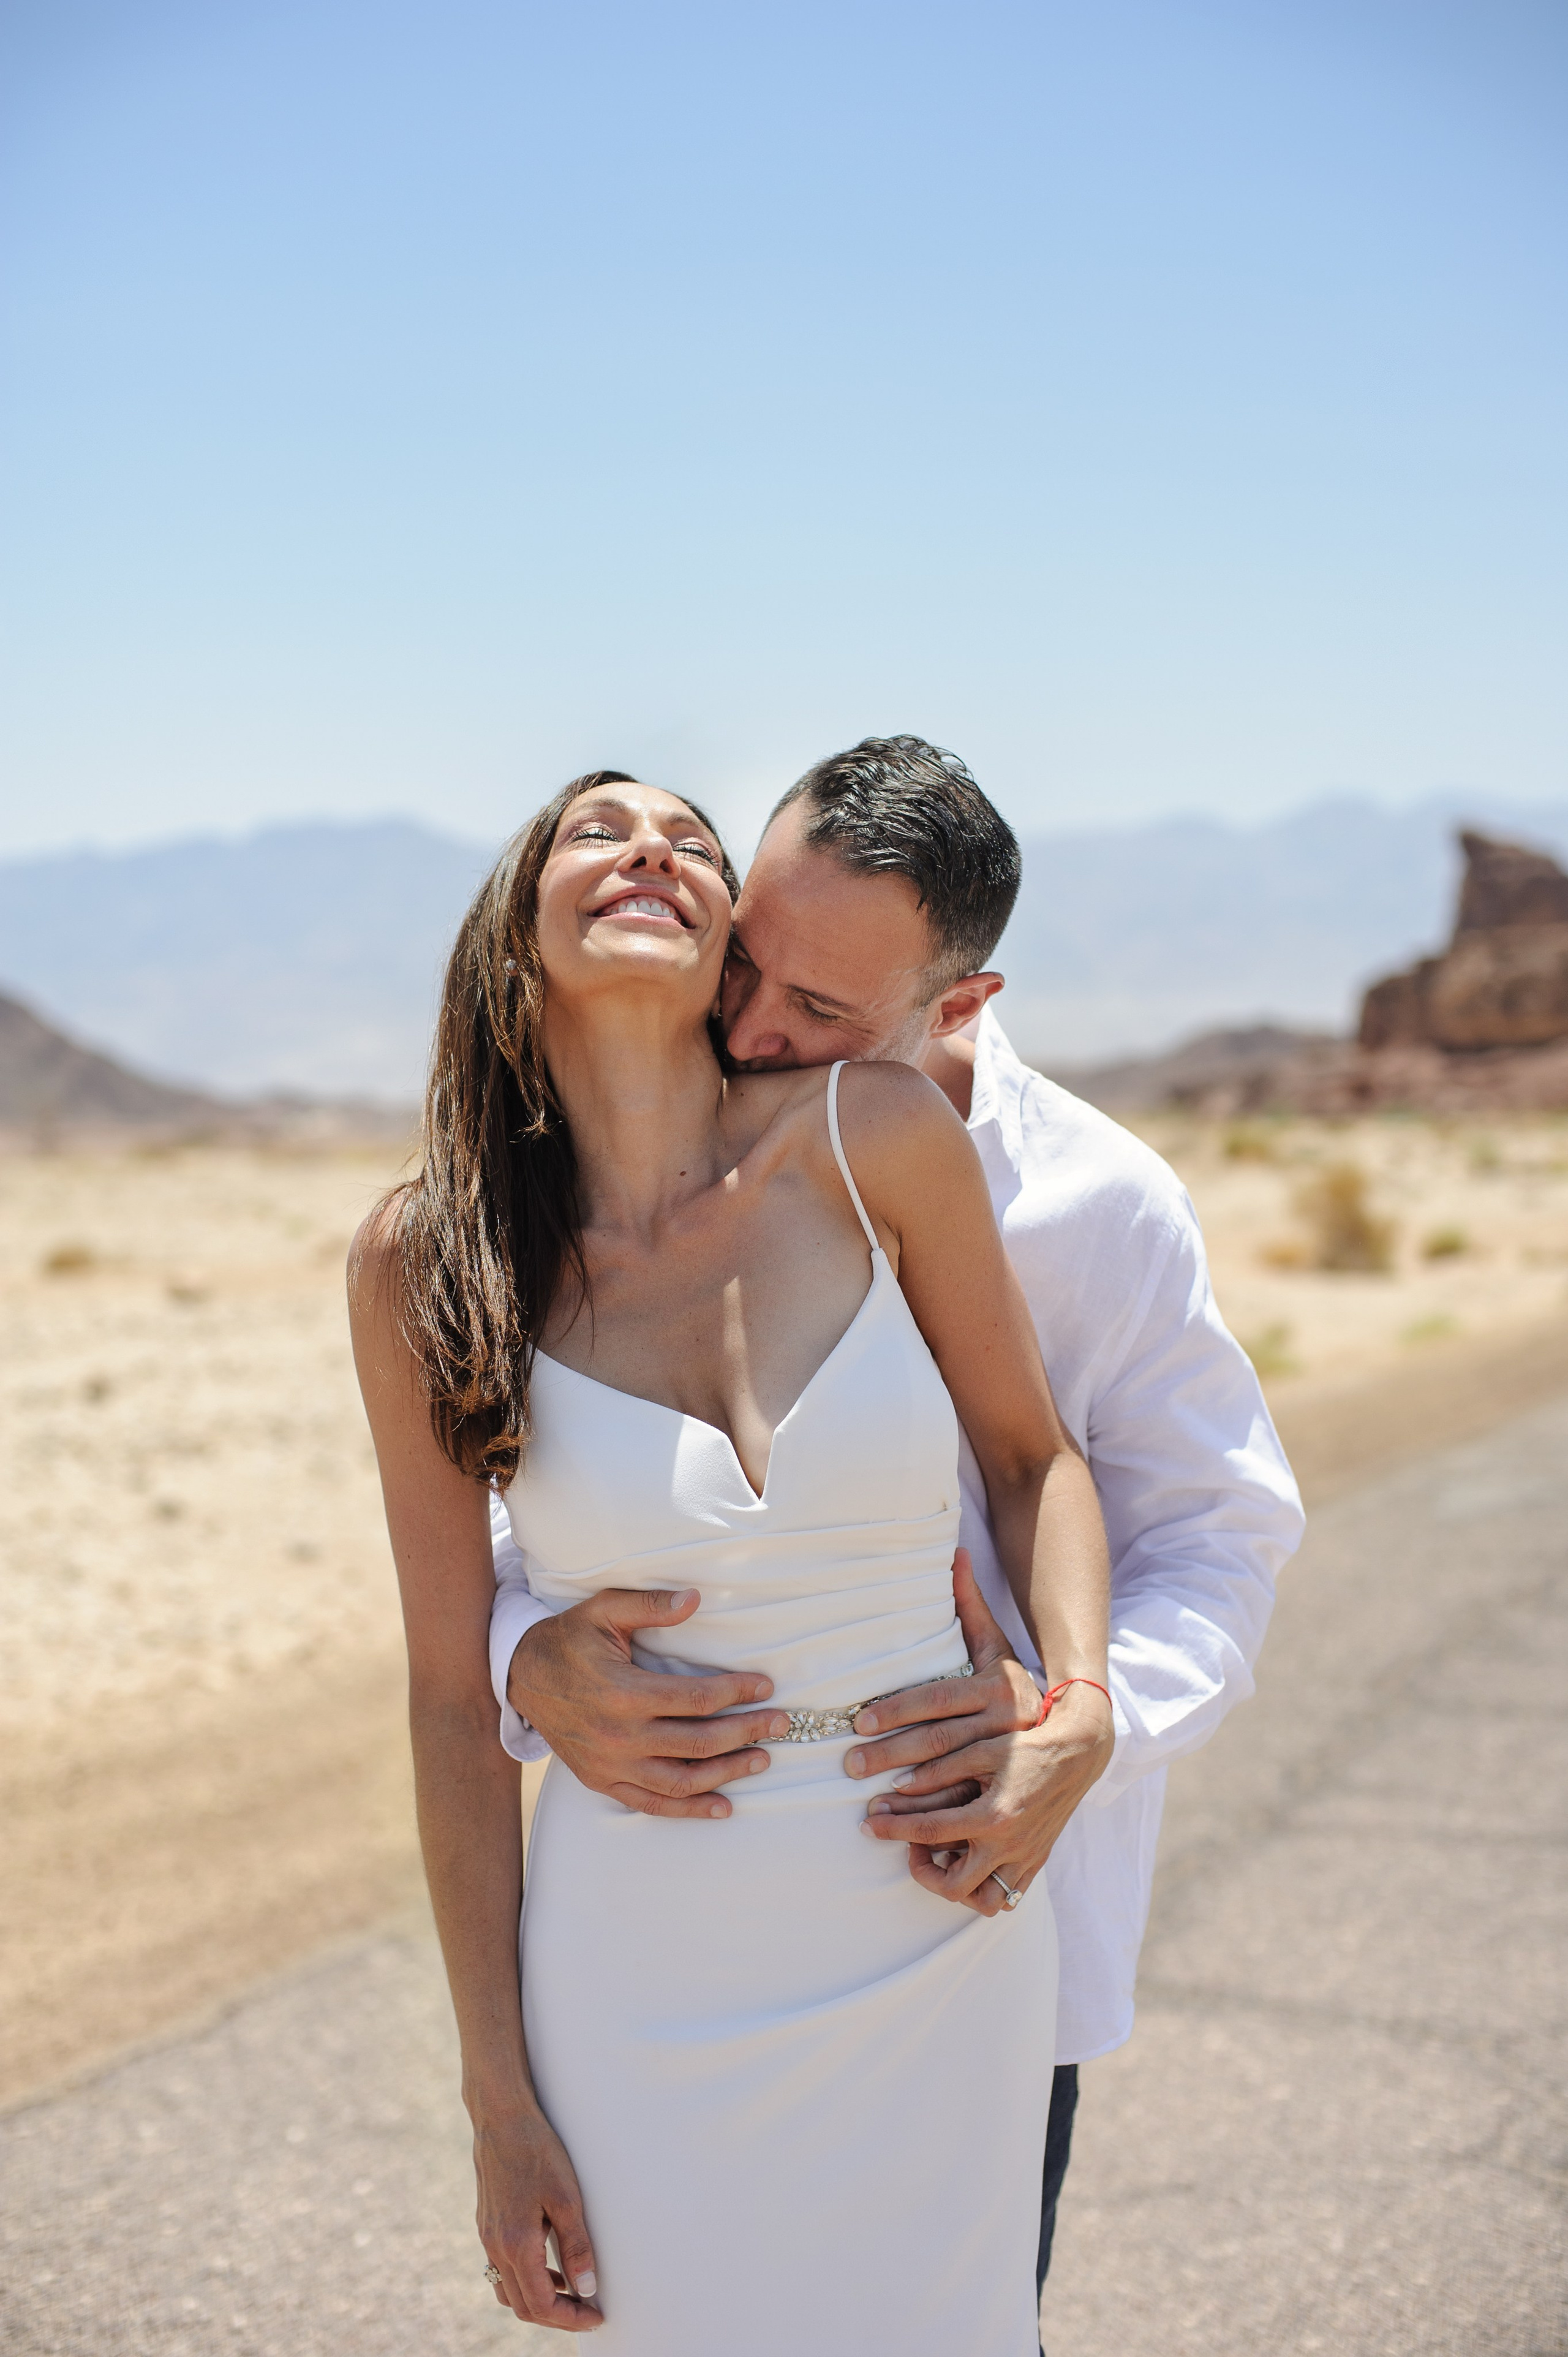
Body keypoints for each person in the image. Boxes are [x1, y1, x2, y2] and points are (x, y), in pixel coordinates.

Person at [488, 736, 1306, 2321]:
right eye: (748, 965)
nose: (753, 1028)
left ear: (960, 1003)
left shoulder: (1102, 1206)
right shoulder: (605, 1176)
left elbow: (1218, 1531)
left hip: (975, 1904)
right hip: (676, 1924)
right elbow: (541, 1519)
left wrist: (1086, 1722)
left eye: (821, 1011)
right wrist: (527, 1654)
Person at [349, 766, 1117, 2353]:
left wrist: (1083, 1703)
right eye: (599, 830)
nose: (652, 849)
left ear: (728, 945)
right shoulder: (427, 1257)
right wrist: (498, 2102)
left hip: (938, 1926)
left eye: (691, 841)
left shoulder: (876, 1137)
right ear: (516, 927)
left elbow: (1035, 1461)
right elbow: (448, 1701)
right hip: (645, 1966)